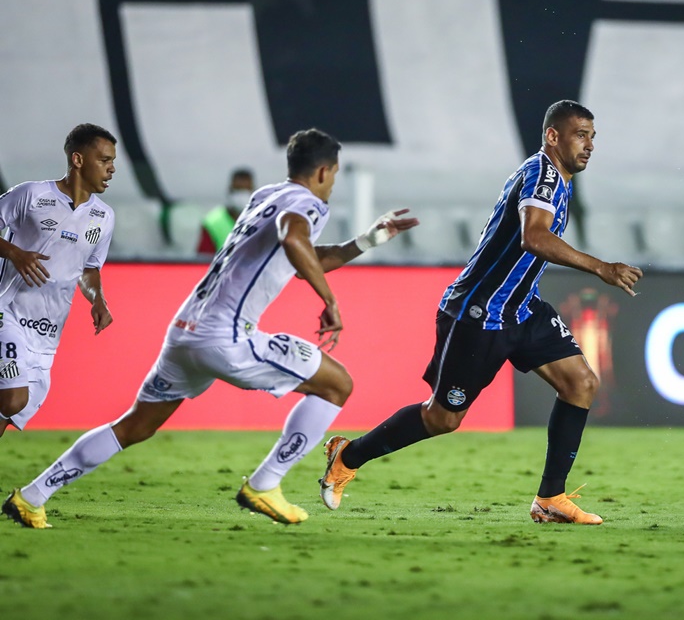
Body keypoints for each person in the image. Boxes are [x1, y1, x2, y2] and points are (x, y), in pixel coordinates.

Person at [3, 128, 418, 528]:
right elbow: (294, 239)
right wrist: (329, 300)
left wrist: (365, 241)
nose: (332, 185)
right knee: (337, 384)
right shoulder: (307, 203)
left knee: (134, 426)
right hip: (227, 337)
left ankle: (32, 496)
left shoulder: (265, 196)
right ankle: (265, 484)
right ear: (325, 172)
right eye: (335, 176)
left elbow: (302, 253)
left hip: (186, 330)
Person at [318, 100, 642, 525]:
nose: (590, 145)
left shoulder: (558, 179)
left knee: (580, 383)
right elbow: (534, 237)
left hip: (522, 308)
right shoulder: (543, 174)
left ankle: (550, 498)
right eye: (581, 135)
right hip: (480, 312)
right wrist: (600, 266)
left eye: (593, 137)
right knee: (442, 417)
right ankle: (349, 454)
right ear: (553, 136)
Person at [0, 124, 117, 439]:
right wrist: (14, 252)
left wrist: (97, 299)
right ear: (78, 160)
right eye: (104, 160)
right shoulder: (31, 195)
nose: (112, 168)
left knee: (7, 413)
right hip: (6, 312)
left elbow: (89, 269)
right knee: (13, 399)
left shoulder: (104, 217)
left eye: (112, 161)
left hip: (47, 333)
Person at [197, 168, 255, 254]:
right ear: (230, 191)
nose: (242, 195)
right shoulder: (213, 222)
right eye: (238, 190)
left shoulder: (262, 218)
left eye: (246, 190)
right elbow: (203, 259)